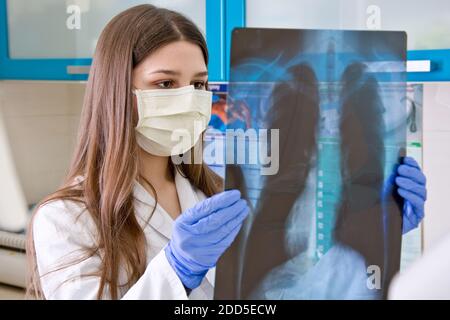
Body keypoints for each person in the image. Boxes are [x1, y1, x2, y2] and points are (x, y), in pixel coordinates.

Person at [26, 4, 427, 300]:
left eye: (199, 85)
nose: (188, 99)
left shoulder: (216, 194)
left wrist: (378, 228)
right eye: (165, 84)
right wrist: (175, 272)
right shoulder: (65, 220)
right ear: (116, 92)